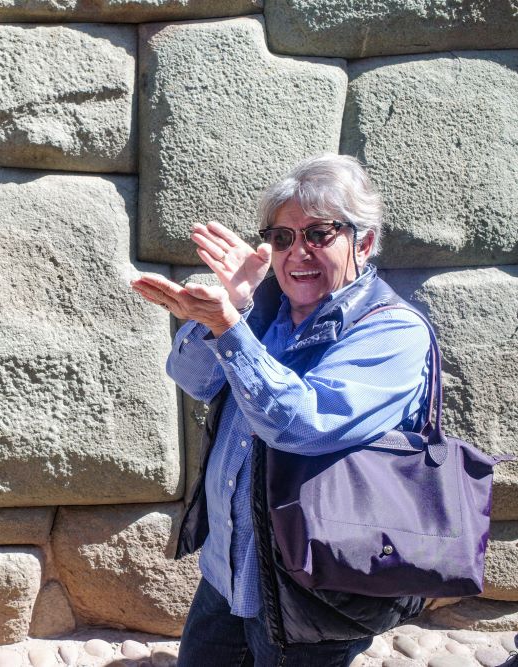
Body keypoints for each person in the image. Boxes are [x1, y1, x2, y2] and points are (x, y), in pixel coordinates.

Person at [131, 154, 432, 667]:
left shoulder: (394, 331)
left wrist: (229, 328)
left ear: (363, 243)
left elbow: (300, 424)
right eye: (283, 237)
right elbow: (194, 379)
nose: (298, 253)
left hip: (311, 591)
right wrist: (235, 304)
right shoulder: (264, 307)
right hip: (228, 570)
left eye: (318, 234)